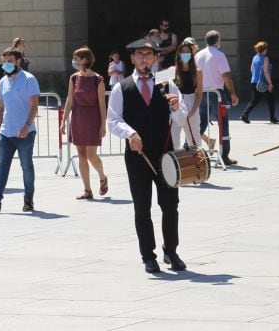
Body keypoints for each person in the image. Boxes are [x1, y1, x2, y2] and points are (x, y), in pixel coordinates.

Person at [107, 42, 188, 274]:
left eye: (149, 55)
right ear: (132, 59)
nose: (144, 59)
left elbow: (181, 119)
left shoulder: (167, 83)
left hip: (165, 154)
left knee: (171, 204)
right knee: (142, 206)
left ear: (154, 59)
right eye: (140, 55)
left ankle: (171, 250)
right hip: (137, 155)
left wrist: (175, 107)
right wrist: (130, 133)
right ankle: (147, 255)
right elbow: (113, 120)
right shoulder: (121, 87)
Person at [0, 48, 41, 212]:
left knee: (26, 166)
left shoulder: (29, 79)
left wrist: (27, 126)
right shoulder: (3, 81)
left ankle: (28, 199)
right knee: (3, 165)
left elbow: (34, 106)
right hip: (6, 133)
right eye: (4, 61)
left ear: (18, 61)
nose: (6, 64)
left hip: (25, 133)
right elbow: (1, 107)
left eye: (10, 61)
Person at [59, 47, 108, 200]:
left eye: (77, 58)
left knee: (91, 155)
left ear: (85, 60)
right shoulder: (74, 78)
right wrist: (63, 120)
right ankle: (87, 190)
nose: (74, 61)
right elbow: (69, 100)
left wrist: (103, 125)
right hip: (78, 117)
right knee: (81, 155)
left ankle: (102, 176)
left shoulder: (97, 79)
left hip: (93, 117)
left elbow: (102, 103)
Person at [194, 30, 241, 166]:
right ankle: (224, 155)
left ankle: (191, 150)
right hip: (217, 94)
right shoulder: (219, 55)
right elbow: (226, 76)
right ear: (218, 41)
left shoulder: (198, 55)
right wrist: (232, 93)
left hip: (202, 92)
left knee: (201, 123)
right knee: (223, 123)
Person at [171, 41, 204, 147]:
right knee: (174, 137)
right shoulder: (172, 71)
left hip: (191, 101)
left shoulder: (197, 71)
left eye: (187, 51)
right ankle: (175, 162)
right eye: (183, 51)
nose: (185, 54)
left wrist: (193, 111)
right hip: (176, 103)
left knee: (194, 138)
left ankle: (198, 161)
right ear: (178, 54)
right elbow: (159, 82)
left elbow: (199, 94)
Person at [243, 41, 278, 124]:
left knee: (255, 100)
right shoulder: (265, 58)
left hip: (254, 81)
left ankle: (245, 115)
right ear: (264, 49)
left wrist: (256, 76)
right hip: (263, 82)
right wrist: (270, 83)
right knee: (271, 99)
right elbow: (266, 71)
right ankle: (272, 118)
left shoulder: (255, 57)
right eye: (266, 48)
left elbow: (251, 69)